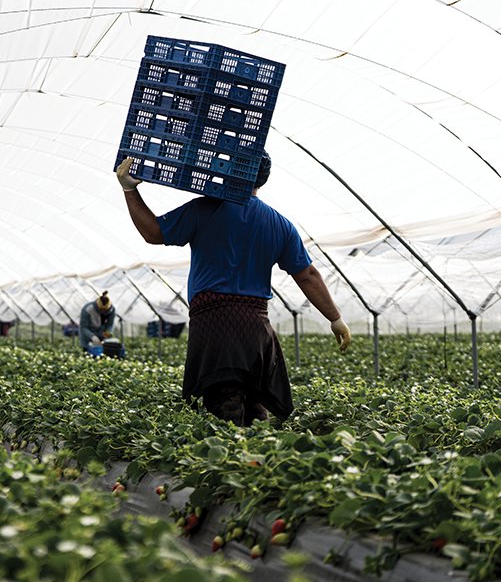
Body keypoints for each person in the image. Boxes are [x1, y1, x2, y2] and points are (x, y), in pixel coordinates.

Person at [115, 153, 351, 426]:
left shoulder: (205, 209)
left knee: (225, 410)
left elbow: (154, 232)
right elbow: (307, 274)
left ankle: (232, 461)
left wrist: (129, 189)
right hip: (255, 327)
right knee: (254, 405)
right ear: (262, 179)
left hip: (214, 324)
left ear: (230, 171)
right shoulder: (280, 224)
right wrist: (335, 318)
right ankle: (258, 461)